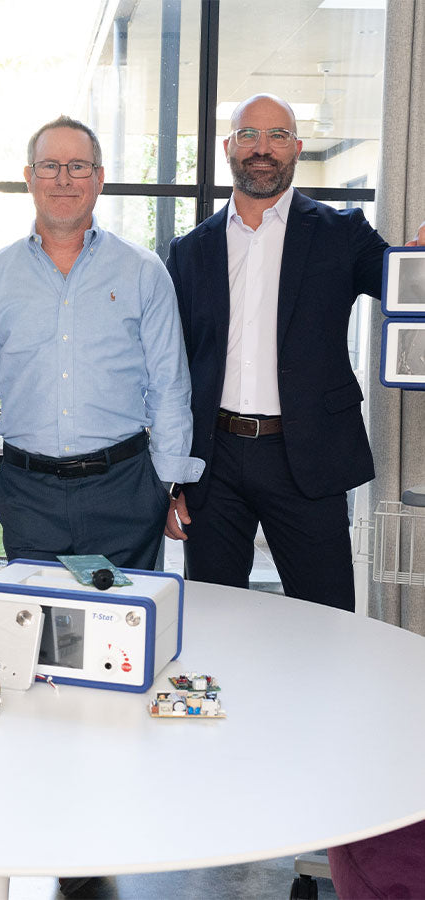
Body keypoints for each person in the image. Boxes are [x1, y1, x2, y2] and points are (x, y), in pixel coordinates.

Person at [165, 92, 425, 612]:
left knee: (326, 617)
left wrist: (418, 264)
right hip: (214, 462)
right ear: (228, 147)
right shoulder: (190, 248)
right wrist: (172, 478)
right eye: (249, 135)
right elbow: (173, 369)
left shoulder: (343, 233)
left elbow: (402, 287)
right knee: (215, 616)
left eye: (278, 135)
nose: (262, 148)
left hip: (308, 456)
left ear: (297, 148)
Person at [0, 115, 203, 567]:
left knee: (124, 613)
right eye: (49, 166)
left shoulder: (143, 272)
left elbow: (170, 386)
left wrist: (165, 484)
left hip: (125, 493)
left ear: (99, 178)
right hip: (28, 497)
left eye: (78, 166)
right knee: (35, 613)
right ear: (29, 178)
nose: (63, 179)